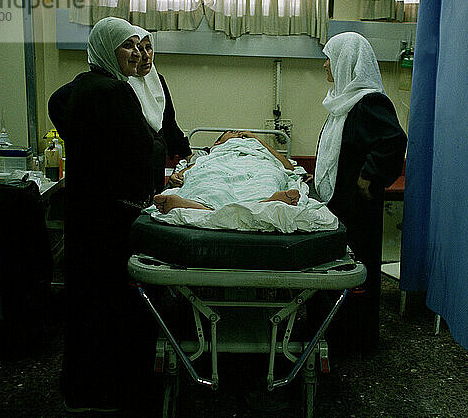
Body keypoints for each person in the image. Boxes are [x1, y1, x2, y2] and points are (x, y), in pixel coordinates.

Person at [48, 17, 163, 413]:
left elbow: (54, 104)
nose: (136, 53)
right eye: (127, 45)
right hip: (109, 218)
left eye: (140, 45)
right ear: (107, 49)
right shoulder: (116, 92)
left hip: (83, 210)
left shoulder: (81, 85)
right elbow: (142, 151)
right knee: (107, 305)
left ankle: (78, 390)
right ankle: (105, 393)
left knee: (84, 303)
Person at [310, 32, 407, 353]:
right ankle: (335, 331)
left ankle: (356, 340)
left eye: (330, 58)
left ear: (346, 62)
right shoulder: (342, 102)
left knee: (357, 275)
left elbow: (393, 141)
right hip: (341, 204)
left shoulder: (370, 101)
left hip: (359, 209)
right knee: (340, 272)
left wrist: (369, 177)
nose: (326, 64)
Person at [153, 131, 301, 213]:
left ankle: (202, 208)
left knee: (266, 179)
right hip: (219, 165)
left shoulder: (257, 147)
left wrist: (257, 140)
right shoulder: (212, 153)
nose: (238, 134)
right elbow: (195, 168)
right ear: (217, 142)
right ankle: (262, 206)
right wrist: (178, 176)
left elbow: (288, 167)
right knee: (209, 181)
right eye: (231, 133)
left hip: (257, 164)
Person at [127, 26, 192, 191]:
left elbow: (168, 121)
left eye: (148, 48)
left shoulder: (157, 80)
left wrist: (188, 154)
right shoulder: (123, 84)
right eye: (139, 49)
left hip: (156, 159)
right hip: (132, 163)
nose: (145, 55)